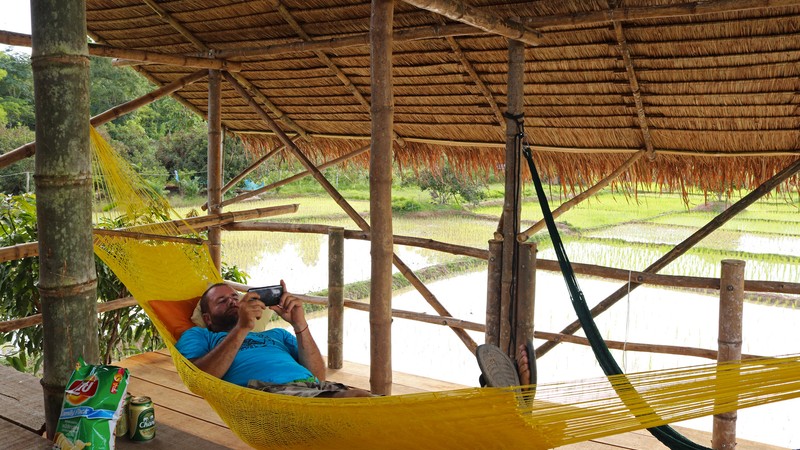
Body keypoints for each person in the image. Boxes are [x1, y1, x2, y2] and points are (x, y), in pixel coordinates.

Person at [176, 281, 371, 398]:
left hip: (315, 388)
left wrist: (299, 324)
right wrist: (242, 328)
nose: (232, 302)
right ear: (208, 319)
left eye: (235, 298)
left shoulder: (277, 334)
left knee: (371, 402)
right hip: (270, 395)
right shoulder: (199, 335)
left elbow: (318, 375)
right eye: (222, 301)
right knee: (358, 401)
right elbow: (199, 379)